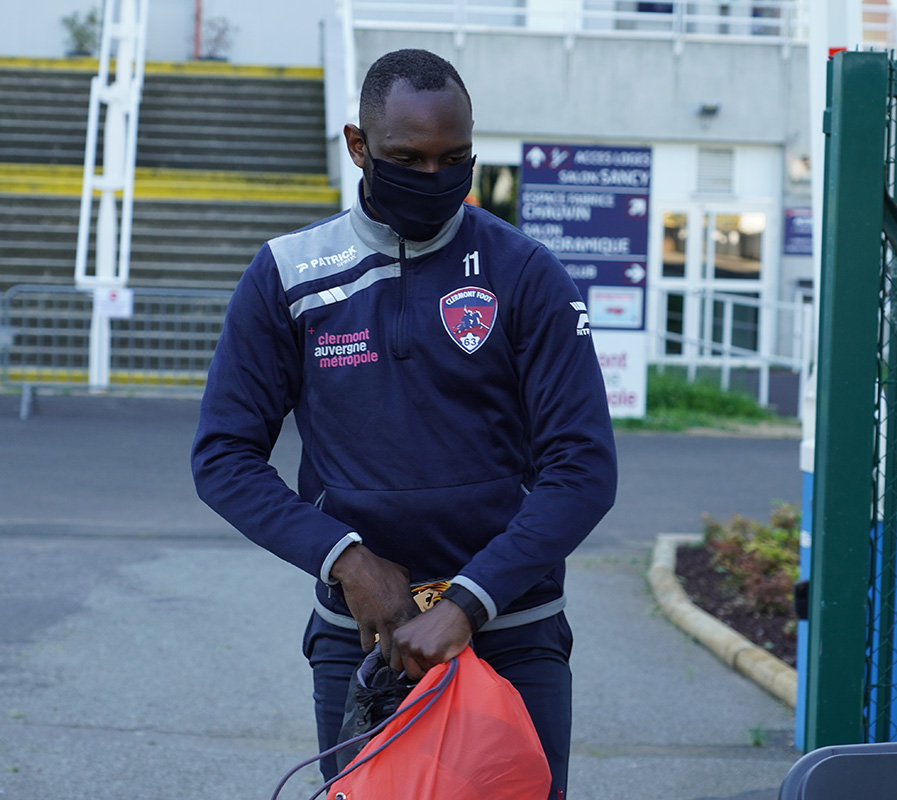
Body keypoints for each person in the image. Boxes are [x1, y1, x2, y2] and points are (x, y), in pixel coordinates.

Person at [191, 48, 617, 800]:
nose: (433, 178)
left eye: (454, 158)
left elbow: (582, 470)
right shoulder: (288, 275)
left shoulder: (527, 275)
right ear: (359, 146)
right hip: (363, 642)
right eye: (406, 157)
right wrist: (347, 560)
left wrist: (468, 602)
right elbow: (223, 456)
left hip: (514, 635)